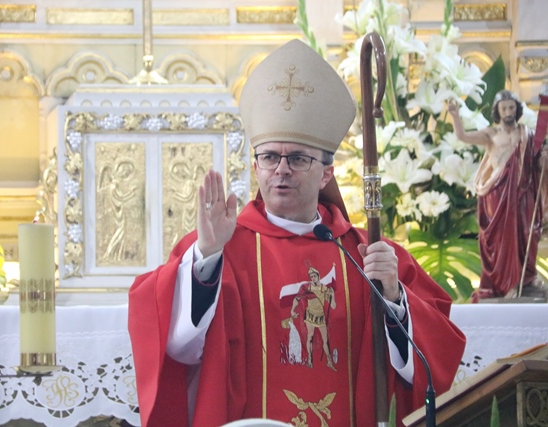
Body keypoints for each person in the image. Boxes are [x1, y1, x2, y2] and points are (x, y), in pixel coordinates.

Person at [129, 39, 466, 427]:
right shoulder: (221, 247)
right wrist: (205, 260)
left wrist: (393, 296)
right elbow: (173, 342)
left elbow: (438, 356)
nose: (281, 169)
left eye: (298, 158)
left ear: (326, 173)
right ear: (256, 167)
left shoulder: (366, 254)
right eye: (270, 157)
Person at [448, 91, 548, 300]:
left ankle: (527, 278)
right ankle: (504, 283)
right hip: (497, 192)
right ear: (497, 111)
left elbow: (536, 163)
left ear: (517, 109)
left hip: (523, 191)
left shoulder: (527, 134)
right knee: (501, 239)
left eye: (511, 107)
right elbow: (463, 136)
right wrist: (455, 116)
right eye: (504, 108)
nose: (508, 112)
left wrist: (543, 160)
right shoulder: (490, 134)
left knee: (528, 232)